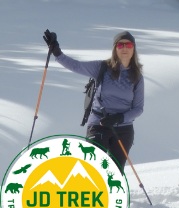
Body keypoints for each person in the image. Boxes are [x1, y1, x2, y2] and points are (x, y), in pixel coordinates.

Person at [42, 29, 144, 171]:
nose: (124, 48)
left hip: (123, 129)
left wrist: (120, 118)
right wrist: (57, 52)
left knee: (114, 173)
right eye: (120, 45)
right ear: (115, 48)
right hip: (99, 124)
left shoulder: (137, 76)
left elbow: (138, 108)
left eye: (128, 45)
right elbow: (76, 66)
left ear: (134, 48)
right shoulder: (102, 67)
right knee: (94, 170)